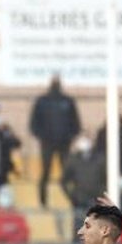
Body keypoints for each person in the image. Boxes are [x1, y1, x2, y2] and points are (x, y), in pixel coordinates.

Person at [29, 76, 81, 207]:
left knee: (67, 173)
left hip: (63, 143)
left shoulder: (67, 101)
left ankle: (73, 199)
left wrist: (69, 136)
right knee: (46, 173)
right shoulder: (42, 101)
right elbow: (33, 124)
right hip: (47, 143)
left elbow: (76, 123)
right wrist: (42, 136)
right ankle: (43, 201)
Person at [62, 134, 105, 244]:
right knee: (78, 234)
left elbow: (106, 178)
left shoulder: (100, 159)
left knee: (100, 234)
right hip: (79, 203)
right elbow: (64, 181)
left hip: (96, 203)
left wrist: (101, 195)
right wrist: (72, 197)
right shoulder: (73, 159)